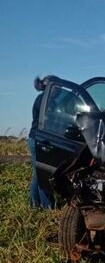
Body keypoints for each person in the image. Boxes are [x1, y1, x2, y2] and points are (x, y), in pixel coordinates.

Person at [28, 76, 55, 209]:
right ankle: (46, 206)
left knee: (37, 173)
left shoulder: (41, 98)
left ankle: (34, 204)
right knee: (42, 173)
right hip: (39, 140)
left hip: (35, 138)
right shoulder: (47, 101)